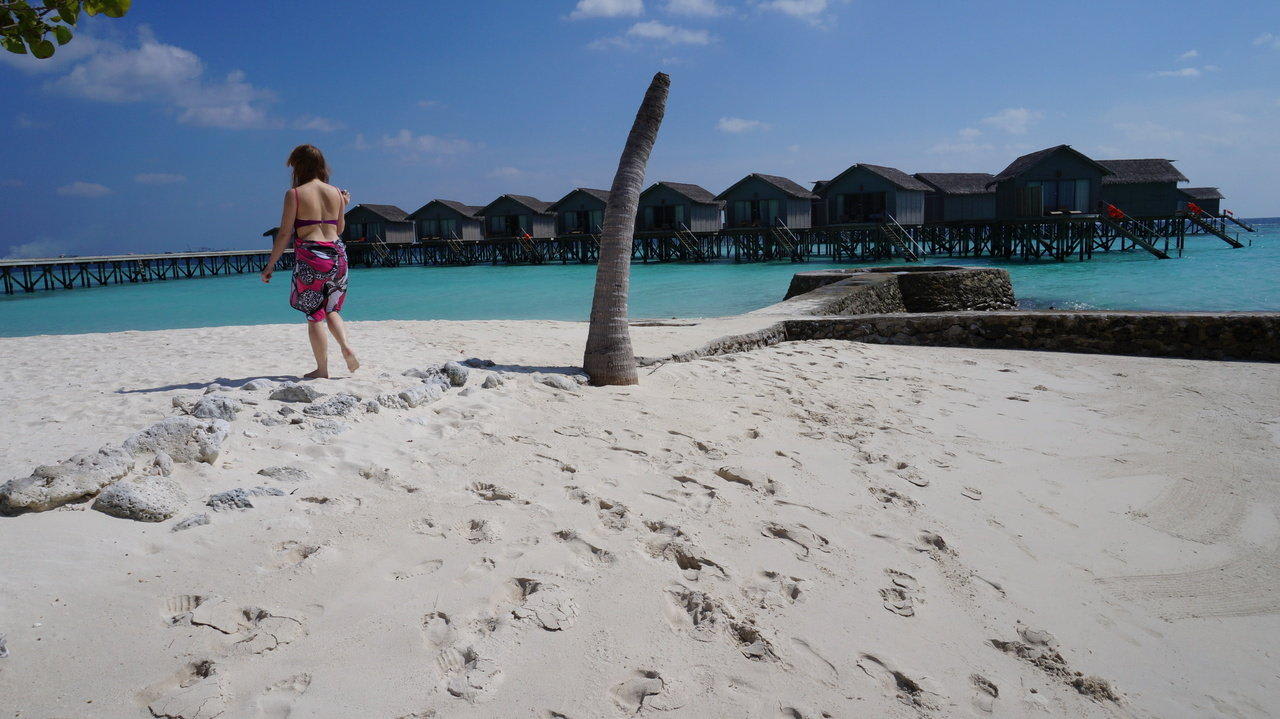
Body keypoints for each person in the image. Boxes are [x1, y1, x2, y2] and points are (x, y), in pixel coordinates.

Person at [261, 144, 359, 379]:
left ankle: (322, 369)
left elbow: (285, 233)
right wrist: (343, 205)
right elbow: (340, 228)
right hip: (338, 254)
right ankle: (345, 346)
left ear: (299, 167)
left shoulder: (295, 194)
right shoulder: (336, 192)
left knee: (315, 313)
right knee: (332, 308)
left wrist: (270, 265)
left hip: (312, 257)